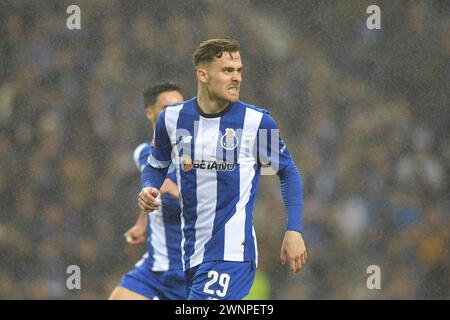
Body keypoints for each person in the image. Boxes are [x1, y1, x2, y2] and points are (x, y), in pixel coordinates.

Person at [138, 39, 307, 300]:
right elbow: (156, 165)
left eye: (239, 70)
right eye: (228, 70)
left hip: (232, 255)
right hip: (192, 254)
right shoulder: (172, 118)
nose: (237, 77)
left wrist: (294, 229)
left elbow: (288, 172)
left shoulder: (256, 122)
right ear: (203, 75)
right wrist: (148, 188)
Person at [109, 82, 186, 300]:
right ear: (149, 112)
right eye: (166, 109)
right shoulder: (143, 153)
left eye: (179, 108)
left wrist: (178, 193)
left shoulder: (199, 155)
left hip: (193, 271)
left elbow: (220, 202)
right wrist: (142, 222)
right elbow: (152, 189)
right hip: (156, 268)